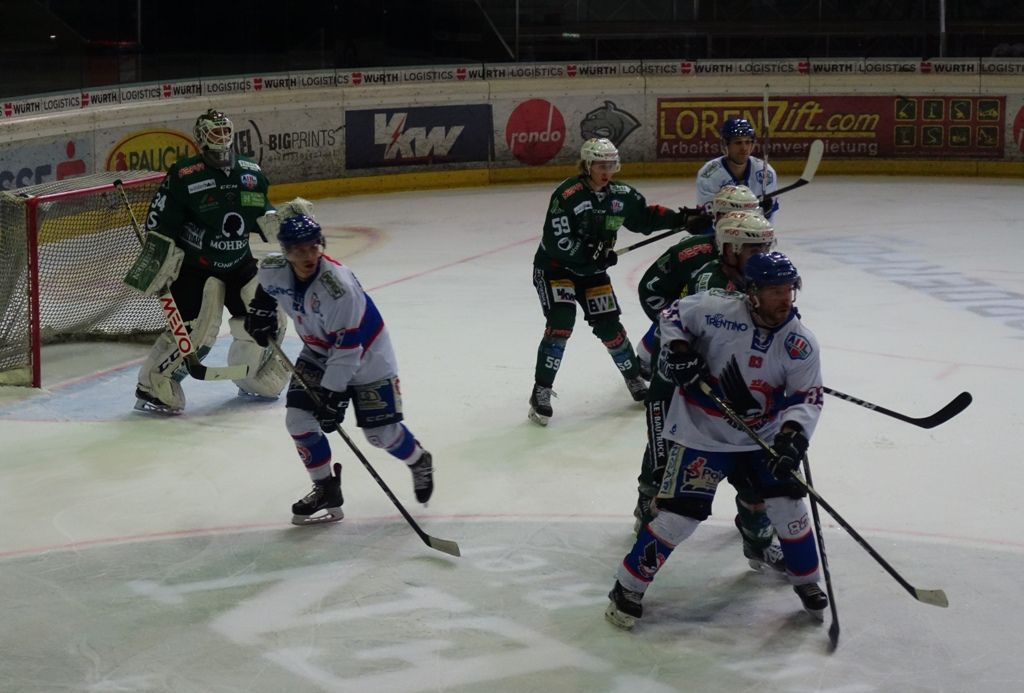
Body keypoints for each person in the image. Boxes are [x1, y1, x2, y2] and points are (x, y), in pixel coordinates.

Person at [606, 251, 828, 630]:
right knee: (678, 517)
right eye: (774, 291)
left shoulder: (799, 343)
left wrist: (792, 440)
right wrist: (679, 351)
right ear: (752, 293)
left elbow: (806, 397)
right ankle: (627, 587)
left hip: (761, 437)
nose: (784, 299)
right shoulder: (716, 309)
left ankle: (806, 579)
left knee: (788, 506)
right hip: (701, 433)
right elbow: (672, 315)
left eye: (788, 290)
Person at [244, 213, 434, 525]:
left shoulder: (337, 288)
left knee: (379, 434)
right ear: (286, 252)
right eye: (299, 250)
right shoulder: (274, 267)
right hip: (319, 351)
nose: (308, 256)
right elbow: (268, 286)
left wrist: (332, 397)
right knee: (299, 420)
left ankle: (418, 459)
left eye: (313, 247)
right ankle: (326, 489)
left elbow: (348, 351)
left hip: (368, 357)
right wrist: (260, 310)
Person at [633, 210, 787, 574]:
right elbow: (674, 322)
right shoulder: (711, 286)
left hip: (728, 395)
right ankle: (646, 526)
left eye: (766, 247)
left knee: (757, 474)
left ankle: (758, 541)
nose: (763, 256)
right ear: (730, 249)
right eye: (754, 249)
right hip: (675, 392)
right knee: (664, 468)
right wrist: (682, 354)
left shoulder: (760, 281)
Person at [529, 137, 704, 426]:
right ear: (587, 165)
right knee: (561, 322)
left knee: (609, 326)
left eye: (611, 165)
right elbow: (555, 240)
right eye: (601, 165)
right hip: (556, 269)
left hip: (592, 273)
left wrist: (682, 219)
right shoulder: (568, 194)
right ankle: (541, 390)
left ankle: (633, 377)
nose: (606, 171)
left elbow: (645, 219)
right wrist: (590, 252)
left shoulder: (621, 195)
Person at [124, 108, 289, 413]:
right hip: (195, 269)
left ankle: (251, 376)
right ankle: (154, 384)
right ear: (201, 137)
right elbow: (159, 220)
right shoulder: (185, 175)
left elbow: (261, 210)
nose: (222, 137)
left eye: (225, 130)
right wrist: (158, 256)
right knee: (196, 334)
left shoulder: (250, 172)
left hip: (239, 263)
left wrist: (278, 220)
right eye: (215, 131)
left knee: (270, 319)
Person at [696, 118, 779, 222]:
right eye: (738, 142)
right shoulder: (708, 175)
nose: (744, 148)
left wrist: (767, 209)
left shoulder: (766, 173)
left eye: (748, 142)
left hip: (754, 229)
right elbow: (709, 218)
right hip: (719, 230)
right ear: (725, 144)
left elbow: (768, 220)